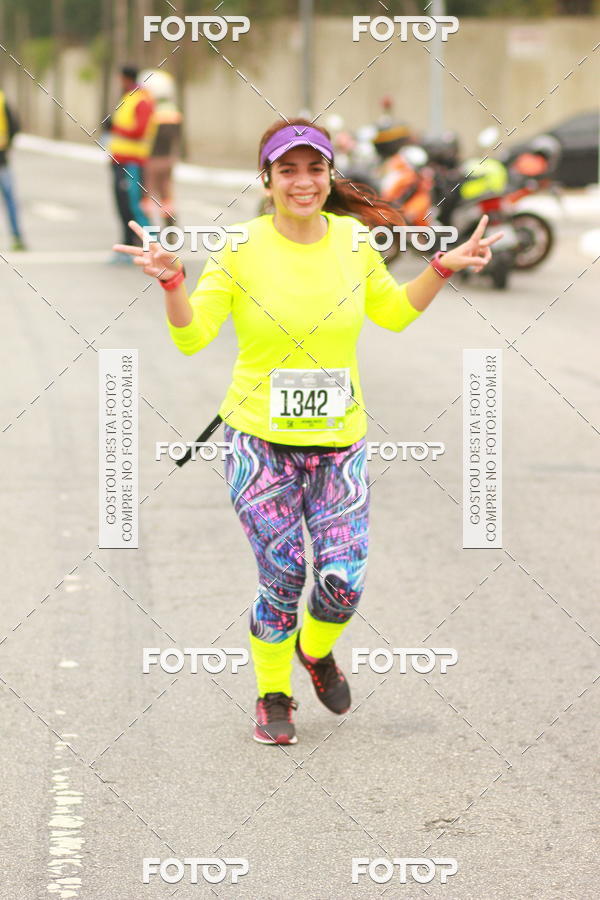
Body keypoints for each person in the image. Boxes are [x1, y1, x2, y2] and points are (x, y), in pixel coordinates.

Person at [114, 118, 502, 745]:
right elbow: (191, 338)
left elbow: (393, 314)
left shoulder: (353, 240)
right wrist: (172, 281)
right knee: (285, 576)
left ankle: (315, 651)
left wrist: (443, 268)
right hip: (257, 444)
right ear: (266, 179)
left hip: (339, 445)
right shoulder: (239, 247)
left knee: (342, 582)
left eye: (314, 168)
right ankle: (273, 693)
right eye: (287, 170)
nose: (303, 181)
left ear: (329, 176)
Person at [107, 65, 156, 263]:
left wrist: (115, 128)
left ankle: (153, 248)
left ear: (125, 78)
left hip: (133, 163)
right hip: (120, 160)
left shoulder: (141, 100)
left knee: (134, 207)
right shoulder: (127, 97)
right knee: (123, 207)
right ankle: (128, 248)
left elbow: (139, 131)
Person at [138, 69, 182, 228]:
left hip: (152, 159)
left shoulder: (152, 109)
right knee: (166, 193)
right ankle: (170, 226)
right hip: (168, 158)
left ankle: (145, 228)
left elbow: (146, 135)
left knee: (146, 195)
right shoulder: (173, 109)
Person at [0, 88, 26, 250]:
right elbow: (15, 127)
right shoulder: (2, 99)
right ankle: (17, 237)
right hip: (2, 160)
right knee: (10, 200)